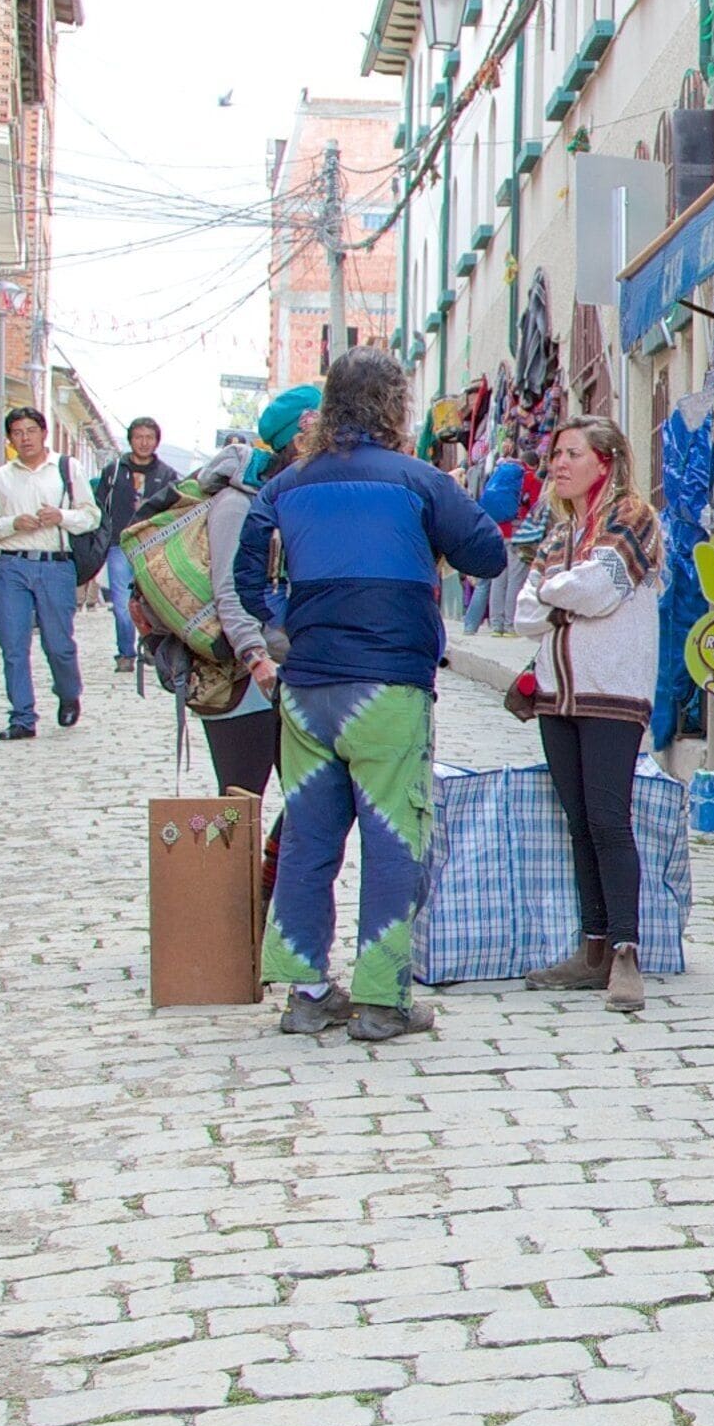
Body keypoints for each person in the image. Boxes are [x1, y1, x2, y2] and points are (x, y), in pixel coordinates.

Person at [233, 347, 505, 1044]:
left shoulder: (284, 486)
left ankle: (306, 995)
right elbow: (488, 554)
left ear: (328, 405)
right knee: (392, 842)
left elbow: (245, 579)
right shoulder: (419, 481)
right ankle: (383, 1001)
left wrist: (283, 622)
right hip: (388, 688)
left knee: (307, 840)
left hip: (306, 691)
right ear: (395, 405)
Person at [512, 419, 663, 1013]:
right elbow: (524, 614)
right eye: (556, 453)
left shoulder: (633, 517)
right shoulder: (558, 533)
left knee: (608, 820)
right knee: (578, 823)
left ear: (606, 460)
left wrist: (556, 592)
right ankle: (592, 946)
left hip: (611, 694)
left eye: (572, 453)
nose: (558, 463)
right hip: (557, 697)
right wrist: (563, 594)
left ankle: (626, 952)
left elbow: (600, 590)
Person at [192, 385, 319, 796]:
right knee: (240, 799)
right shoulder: (237, 503)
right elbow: (228, 589)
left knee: (310, 798)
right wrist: (255, 656)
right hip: (245, 676)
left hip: (294, 666)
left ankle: (274, 850)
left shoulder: (306, 496)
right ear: (299, 441)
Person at [0, 406, 97, 740]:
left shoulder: (67, 469)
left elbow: (91, 516)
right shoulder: (1, 477)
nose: (25, 438)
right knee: (13, 645)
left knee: (58, 644)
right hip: (13, 566)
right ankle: (22, 717)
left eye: (30, 431)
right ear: (10, 438)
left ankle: (68, 692)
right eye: (17, 432)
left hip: (56, 565)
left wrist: (62, 516)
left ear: (44, 433)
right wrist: (12, 523)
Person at [96, 418, 176, 671]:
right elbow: (99, 506)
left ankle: (151, 647)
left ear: (157, 441)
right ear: (130, 440)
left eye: (149, 437)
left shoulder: (167, 475)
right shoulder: (114, 471)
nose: (144, 442)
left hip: (153, 547)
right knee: (121, 604)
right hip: (119, 545)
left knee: (153, 602)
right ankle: (125, 653)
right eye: (139, 437)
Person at [466, 445, 529, 631]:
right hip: (517, 535)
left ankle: (496, 624)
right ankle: (510, 624)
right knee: (515, 579)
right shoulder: (526, 479)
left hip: (496, 533)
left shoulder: (494, 480)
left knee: (497, 580)